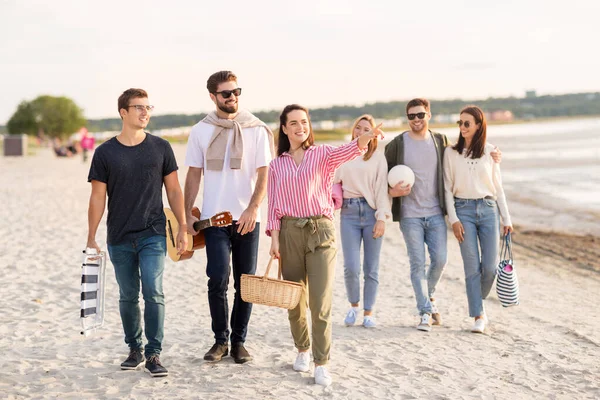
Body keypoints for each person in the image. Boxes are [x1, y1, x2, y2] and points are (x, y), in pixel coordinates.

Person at [267, 104, 382, 387]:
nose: (299, 127)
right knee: (295, 301)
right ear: (284, 128)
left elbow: (350, 150)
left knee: (320, 302)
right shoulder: (276, 165)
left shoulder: (322, 155)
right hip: (290, 233)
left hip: (321, 231)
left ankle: (321, 362)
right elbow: (273, 206)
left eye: (303, 122)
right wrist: (274, 238)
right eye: (293, 123)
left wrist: (365, 139)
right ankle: (303, 350)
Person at [86, 88, 188, 377]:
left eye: (148, 107)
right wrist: (91, 236)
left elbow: (174, 190)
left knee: (153, 292)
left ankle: (154, 353)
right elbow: (97, 198)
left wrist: (181, 227)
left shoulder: (161, 147)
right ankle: (135, 348)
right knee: (128, 295)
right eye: (139, 107)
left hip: (153, 232)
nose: (145, 112)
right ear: (123, 112)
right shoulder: (105, 153)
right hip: (119, 236)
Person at [384, 98, 501, 333]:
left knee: (440, 261)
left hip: (437, 214)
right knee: (417, 264)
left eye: (420, 115)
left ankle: (430, 296)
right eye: (411, 116)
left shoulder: (441, 142)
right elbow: (380, 179)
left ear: (428, 114)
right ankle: (425, 312)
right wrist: (391, 192)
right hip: (410, 215)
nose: (416, 120)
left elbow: (466, 157)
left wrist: (494, 156)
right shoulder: (396, 145)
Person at [184, 71, 274, 364]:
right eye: (225, 93)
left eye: (236, 91)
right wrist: (187, 212)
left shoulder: (256, 129)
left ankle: (239, 342)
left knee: (245, 282)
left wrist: (252, 208)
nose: (232, 96)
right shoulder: (201, 130)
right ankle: (220, 341)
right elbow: (194, 173)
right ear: (213, 96)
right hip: (214, 220)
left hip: (248, 218)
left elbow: (264, 172)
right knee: (217, 279)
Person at [443, 105, 513, 334]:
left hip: (489, 209)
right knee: (471, 267)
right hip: (463, 210)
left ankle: (476, 299)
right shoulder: (451, 153)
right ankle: (478, 314)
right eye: (460, 123)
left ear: (478, 126)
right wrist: (453, 219)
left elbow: (498, 187)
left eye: (467, 123)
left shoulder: (491, 152)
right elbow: (446, 188)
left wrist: (507, 219)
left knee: (490, 268)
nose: (462, 127)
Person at [334, 114, 391, 328]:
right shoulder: (344, 152)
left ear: (374, 132)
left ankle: (368, 312)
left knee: (371, 267)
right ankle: (354, 306)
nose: (362, 131)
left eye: (367, 128)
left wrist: (382, 218)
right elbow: (331, 177)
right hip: (348, 213)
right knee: (350, 266)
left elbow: (381, 190)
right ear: (354, 130)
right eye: (359, 127)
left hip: (371, 213)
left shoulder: (378, 157)